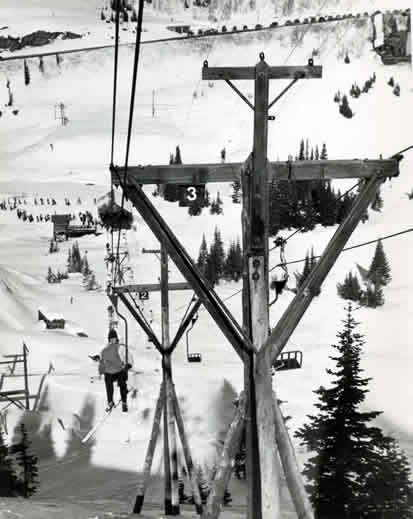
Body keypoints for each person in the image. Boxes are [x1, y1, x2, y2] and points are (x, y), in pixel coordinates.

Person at [99, 329, 131, 412]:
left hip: (120, 370)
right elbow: (102, 359)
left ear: (116, 338)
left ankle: (124, 402)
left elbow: (128, 357)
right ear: (109, 339)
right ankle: (110, 402)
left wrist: (128, 364)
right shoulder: (105, 350)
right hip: (110, 372)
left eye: (114, 338)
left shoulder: (120, 347)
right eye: (111, 338)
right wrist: (101, 368)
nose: (113, 340)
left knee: (122, 382)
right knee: (108, 382)